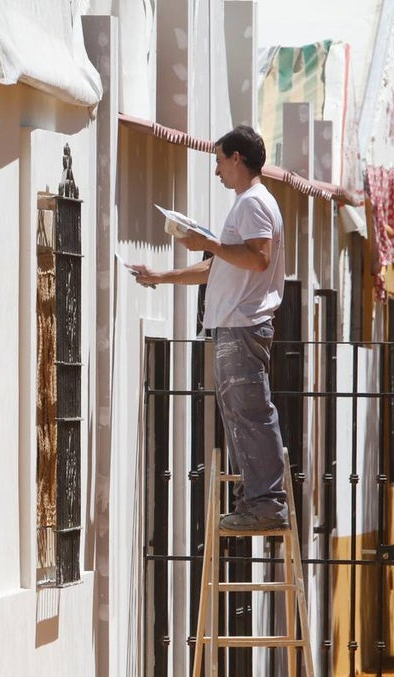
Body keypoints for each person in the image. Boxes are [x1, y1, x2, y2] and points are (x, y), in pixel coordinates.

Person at [129, 125, 288, 532]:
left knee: (249, 412)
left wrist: (210, 243)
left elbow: (258, 259)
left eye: (219, 161)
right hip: (236, 324)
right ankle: (256, 500)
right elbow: (219, 268)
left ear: (237, 158)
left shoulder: (253, 203)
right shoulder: (248, 204)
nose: (217, 171)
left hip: (243, 323)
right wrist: (161, 276)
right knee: (239, 413)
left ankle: (266, 503)